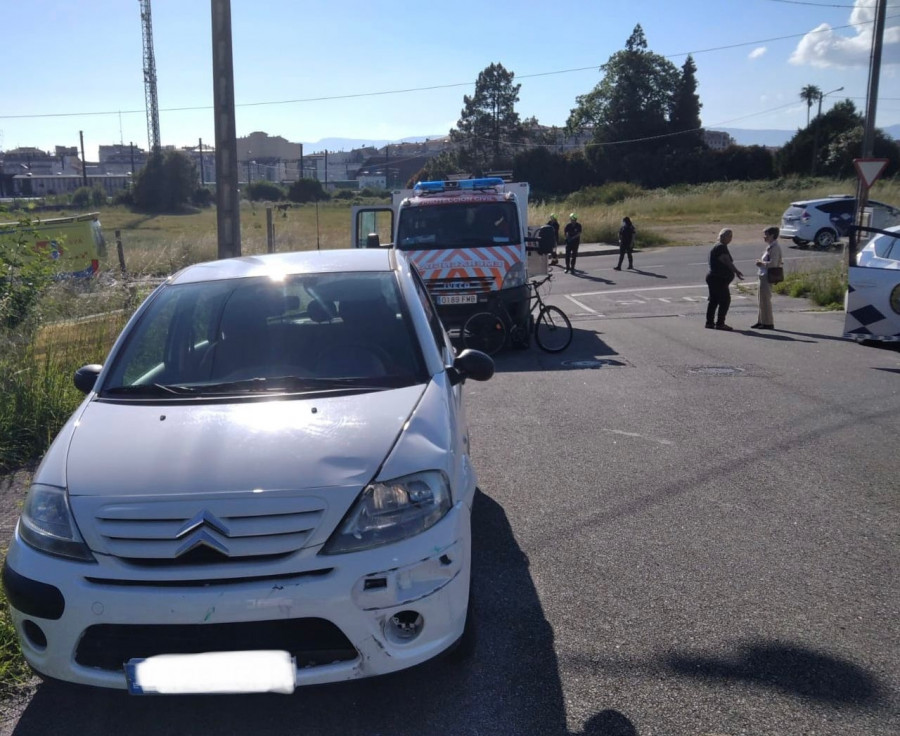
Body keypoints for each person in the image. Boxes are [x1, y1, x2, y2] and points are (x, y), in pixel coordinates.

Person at [705, 227, 743, 331]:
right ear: (723, 236)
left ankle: (709, 322)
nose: (730, 238)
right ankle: (720, 323)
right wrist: (736, 271)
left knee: (714, 300)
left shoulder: (717, 246)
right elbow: (726, 261)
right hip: (718, 278)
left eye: (731, 236)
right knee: (725, 300)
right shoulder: (721, 247)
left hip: (714, 277)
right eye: (729, 236)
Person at [751, 226, 783, 330]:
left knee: (765, 300)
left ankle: (768, 322)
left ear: (772, 235)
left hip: (767, 276)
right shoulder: (770, 246)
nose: (764, 237)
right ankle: (761, 321)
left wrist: (761, 263)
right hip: (763, 275)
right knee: (761, 300)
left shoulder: (775, 248)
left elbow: (773, 263)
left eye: (766, 235)